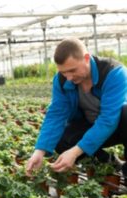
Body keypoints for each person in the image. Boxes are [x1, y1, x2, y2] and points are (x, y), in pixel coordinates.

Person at [25, 37, 127, 180]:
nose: (68, 77)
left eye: (72, 70)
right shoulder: (61, 80)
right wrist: (39, 151)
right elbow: (56, 114)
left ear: (86, 58)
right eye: (64, 72)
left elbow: (109, 120)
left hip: (119, 128)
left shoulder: (113, 72)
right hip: (91, 126)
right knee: (62, 140)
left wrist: (75, 152)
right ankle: (107, 162)